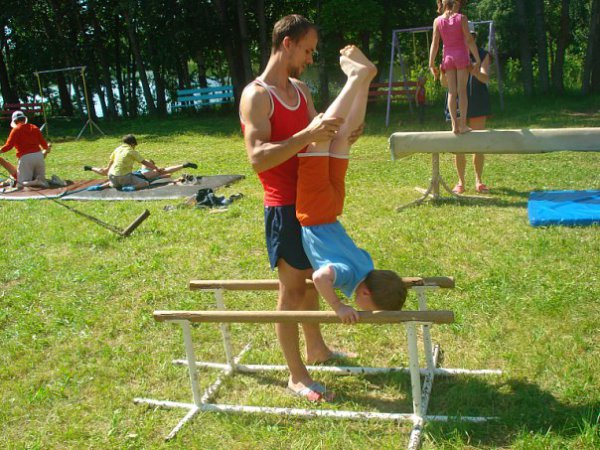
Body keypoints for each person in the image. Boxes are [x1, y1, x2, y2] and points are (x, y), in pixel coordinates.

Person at [239, 14, 364, 402]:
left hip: (311, 199)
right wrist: (307, 133)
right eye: (307, 51)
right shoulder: (257, 95)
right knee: (291, 292)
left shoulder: (300, 90)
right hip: (283, 206)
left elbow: (315, 142)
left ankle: (317, 349)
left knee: (311, 280)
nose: (310, 59)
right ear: (287, 44)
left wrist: (341, 135)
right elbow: (257, 157)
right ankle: (296, 376)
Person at [296, 45, 407, 326]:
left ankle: (365, 79)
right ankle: (356, 78)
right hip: (316, 211)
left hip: (333, 208)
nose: (364, 310)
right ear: (366, 293)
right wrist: (338, 306)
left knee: (342, 140)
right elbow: (320, 277)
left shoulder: (367, 265)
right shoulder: (347, 276)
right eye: (369, 308)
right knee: (321, 137)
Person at [442, 21, 492, 194]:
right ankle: (460, 182)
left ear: (473, 36)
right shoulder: (449, 54)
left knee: (478, 143)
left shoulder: (483, 54)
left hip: (478, 101)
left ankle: (479, 180)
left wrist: (474, 71)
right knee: (459, 144)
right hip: (456, 104)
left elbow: (486, 78)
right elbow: (444, 84)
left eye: (467, 35)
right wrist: (441, 73)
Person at [429, 0, 480, 134]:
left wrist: (431, 63)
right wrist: (477, 58)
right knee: (462, 91)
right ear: (455, 3)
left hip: (448, 57)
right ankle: (462, 124)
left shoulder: (437, 21)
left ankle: (454, 125)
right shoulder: (461, 18)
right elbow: (469, 39)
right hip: (461, 56)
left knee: (451, 92)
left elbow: (435, 44)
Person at [92, 134, 169, 191]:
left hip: (111, 176)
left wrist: (107, 168)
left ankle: (100, 187)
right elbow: (144, 162)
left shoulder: (117, 149)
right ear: (132, 144)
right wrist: (156, 168)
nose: (134, 147)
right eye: (134, 146)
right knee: (145, 183)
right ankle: (132, 188)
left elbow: (111, 160)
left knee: (114, 183)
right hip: (124, 177)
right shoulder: (131, 151)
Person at [0, 110, 51, 188]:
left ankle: (36, 182)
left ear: (14, 121)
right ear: (24, 119)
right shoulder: (34, 127)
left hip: (26, 158)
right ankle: (39, 181)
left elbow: (8, 146)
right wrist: (47, 148)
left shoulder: (16, 130)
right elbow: (44, 144)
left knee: (20, 185)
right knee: (41, 179)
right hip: (39, 156)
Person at [84, 159, 197, 190]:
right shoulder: (151, 172)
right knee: (162, 172)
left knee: (110, 181)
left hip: (129, 177)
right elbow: (167, 173)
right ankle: (184, 165)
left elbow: (167, 175)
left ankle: (98, 185)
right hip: (134, 177)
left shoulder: (153, 173)